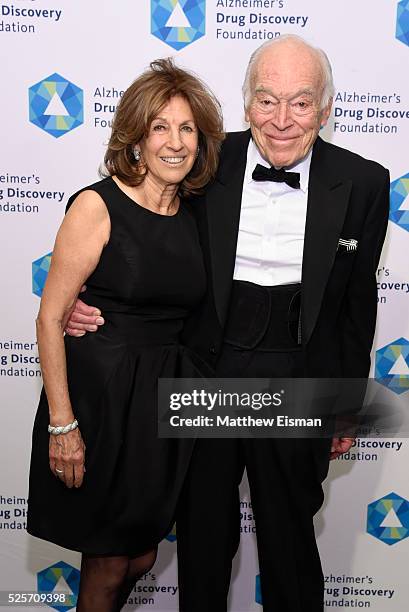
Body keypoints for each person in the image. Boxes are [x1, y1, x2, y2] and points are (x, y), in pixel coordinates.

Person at [67, 36, 390, 611]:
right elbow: (139, 228)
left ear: (325, 108)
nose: (283, 120)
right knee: (203, 536)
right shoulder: (205, 163)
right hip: (206, 369)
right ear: (246, 105)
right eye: (267, 101)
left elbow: (356, 301)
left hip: (299, 375)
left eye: (300, 102)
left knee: (290, 537)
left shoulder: (364, 181)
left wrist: (346, 398)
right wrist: (82, 297)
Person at [27, 58, 224, 612]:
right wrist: (63, 425)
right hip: (104, 399)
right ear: (135, 139)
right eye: (159, 127)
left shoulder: (195, 212)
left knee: (138, 556)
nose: (175, 142)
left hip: (160, 407)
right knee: (110, 561)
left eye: (186, 128)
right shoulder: (98, 205)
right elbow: (50, 317)